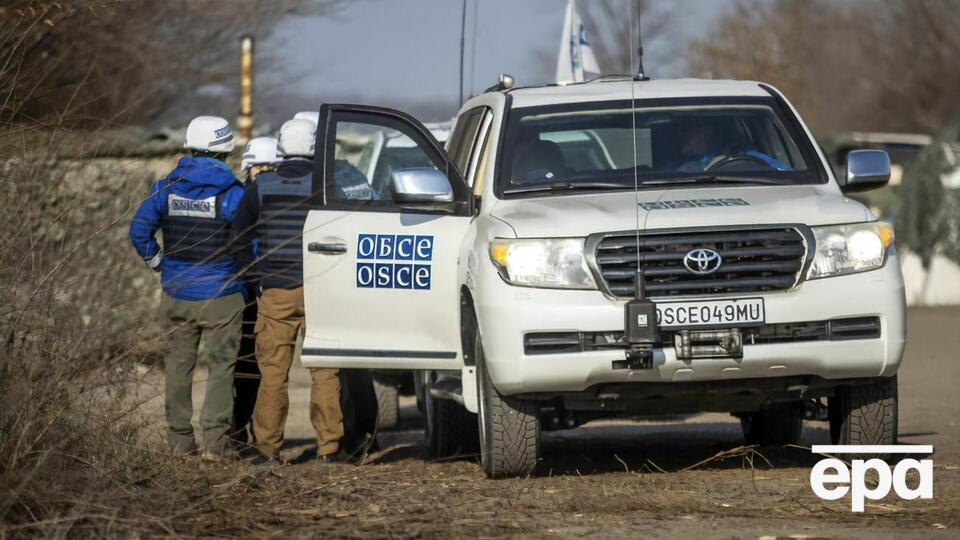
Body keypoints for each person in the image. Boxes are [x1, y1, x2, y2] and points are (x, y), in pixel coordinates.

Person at [128, 115, 247, 459]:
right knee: (221, 368)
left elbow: (139, 232)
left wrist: (160, 264)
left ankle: (180, 444)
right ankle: (217, 444)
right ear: (225, 152)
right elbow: (248, 243)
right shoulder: (232, 193)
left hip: (176, 292)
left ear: (190, 148)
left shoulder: (166, 187)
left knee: (179, 367)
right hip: (222, 294)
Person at [231, 119, 345, 464]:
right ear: (315, 146)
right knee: (325, 372)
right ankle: (330, 448)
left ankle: (266, 449)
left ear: (281, 146)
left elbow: (237, 237)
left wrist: (255, 276)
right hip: (320, 291)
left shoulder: (261, 185)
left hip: (275, 291)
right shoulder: (327, 182)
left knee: (272, 373)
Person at [231, 137, 281, 448]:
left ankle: (251, 429)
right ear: (247, 169)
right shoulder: (238, 198)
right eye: (258, 167)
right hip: (245, 291)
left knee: (261, 368)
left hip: (269, 288)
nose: (262, 173)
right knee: (243, 365)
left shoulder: (277, 197)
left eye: (270, 167)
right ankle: (237, 428)